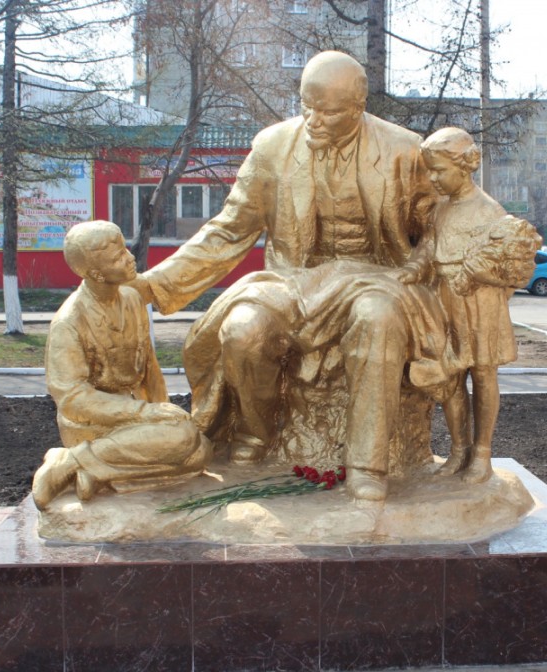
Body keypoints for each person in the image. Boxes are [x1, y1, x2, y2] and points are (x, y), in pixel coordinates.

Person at [134, 51, 442, 501]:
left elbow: (437, 229)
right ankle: (256, 434)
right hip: (294, 283)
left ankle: (366, 465)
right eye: (306, 106)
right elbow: (229, 229)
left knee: (378, 319)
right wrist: (153, 284)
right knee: (242, 331)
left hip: (376, 280)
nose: (314, 120)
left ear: (358, 107)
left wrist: (423, 267)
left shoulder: (404, 150)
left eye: (329, 111)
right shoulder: (273, 147)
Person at [31, 221, 212, 511]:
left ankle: (93, 474)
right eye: (117, 258)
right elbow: (73, 398)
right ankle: (71, 460)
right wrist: (147, 414)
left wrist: (160, 412)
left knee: (200, 452)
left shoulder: (131, 299)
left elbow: (150, 368)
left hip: (135, 418)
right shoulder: (69, 323)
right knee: (183, 441)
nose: (129, 258)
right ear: (95, 273)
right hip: (92, 424)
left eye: (125, 250)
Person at [395, 128, 540, 483]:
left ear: (464, 166)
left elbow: (509, 265)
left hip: (480, 305)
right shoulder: (441, 209)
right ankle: (458, 449)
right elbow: (430, 244)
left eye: (439, 170)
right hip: (444, 299)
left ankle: (482, 454)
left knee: (484, 375)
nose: (433, 178)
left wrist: (492, 298)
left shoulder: (490, 211)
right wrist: (415, 267)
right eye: (429, 171)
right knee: (449, 377)